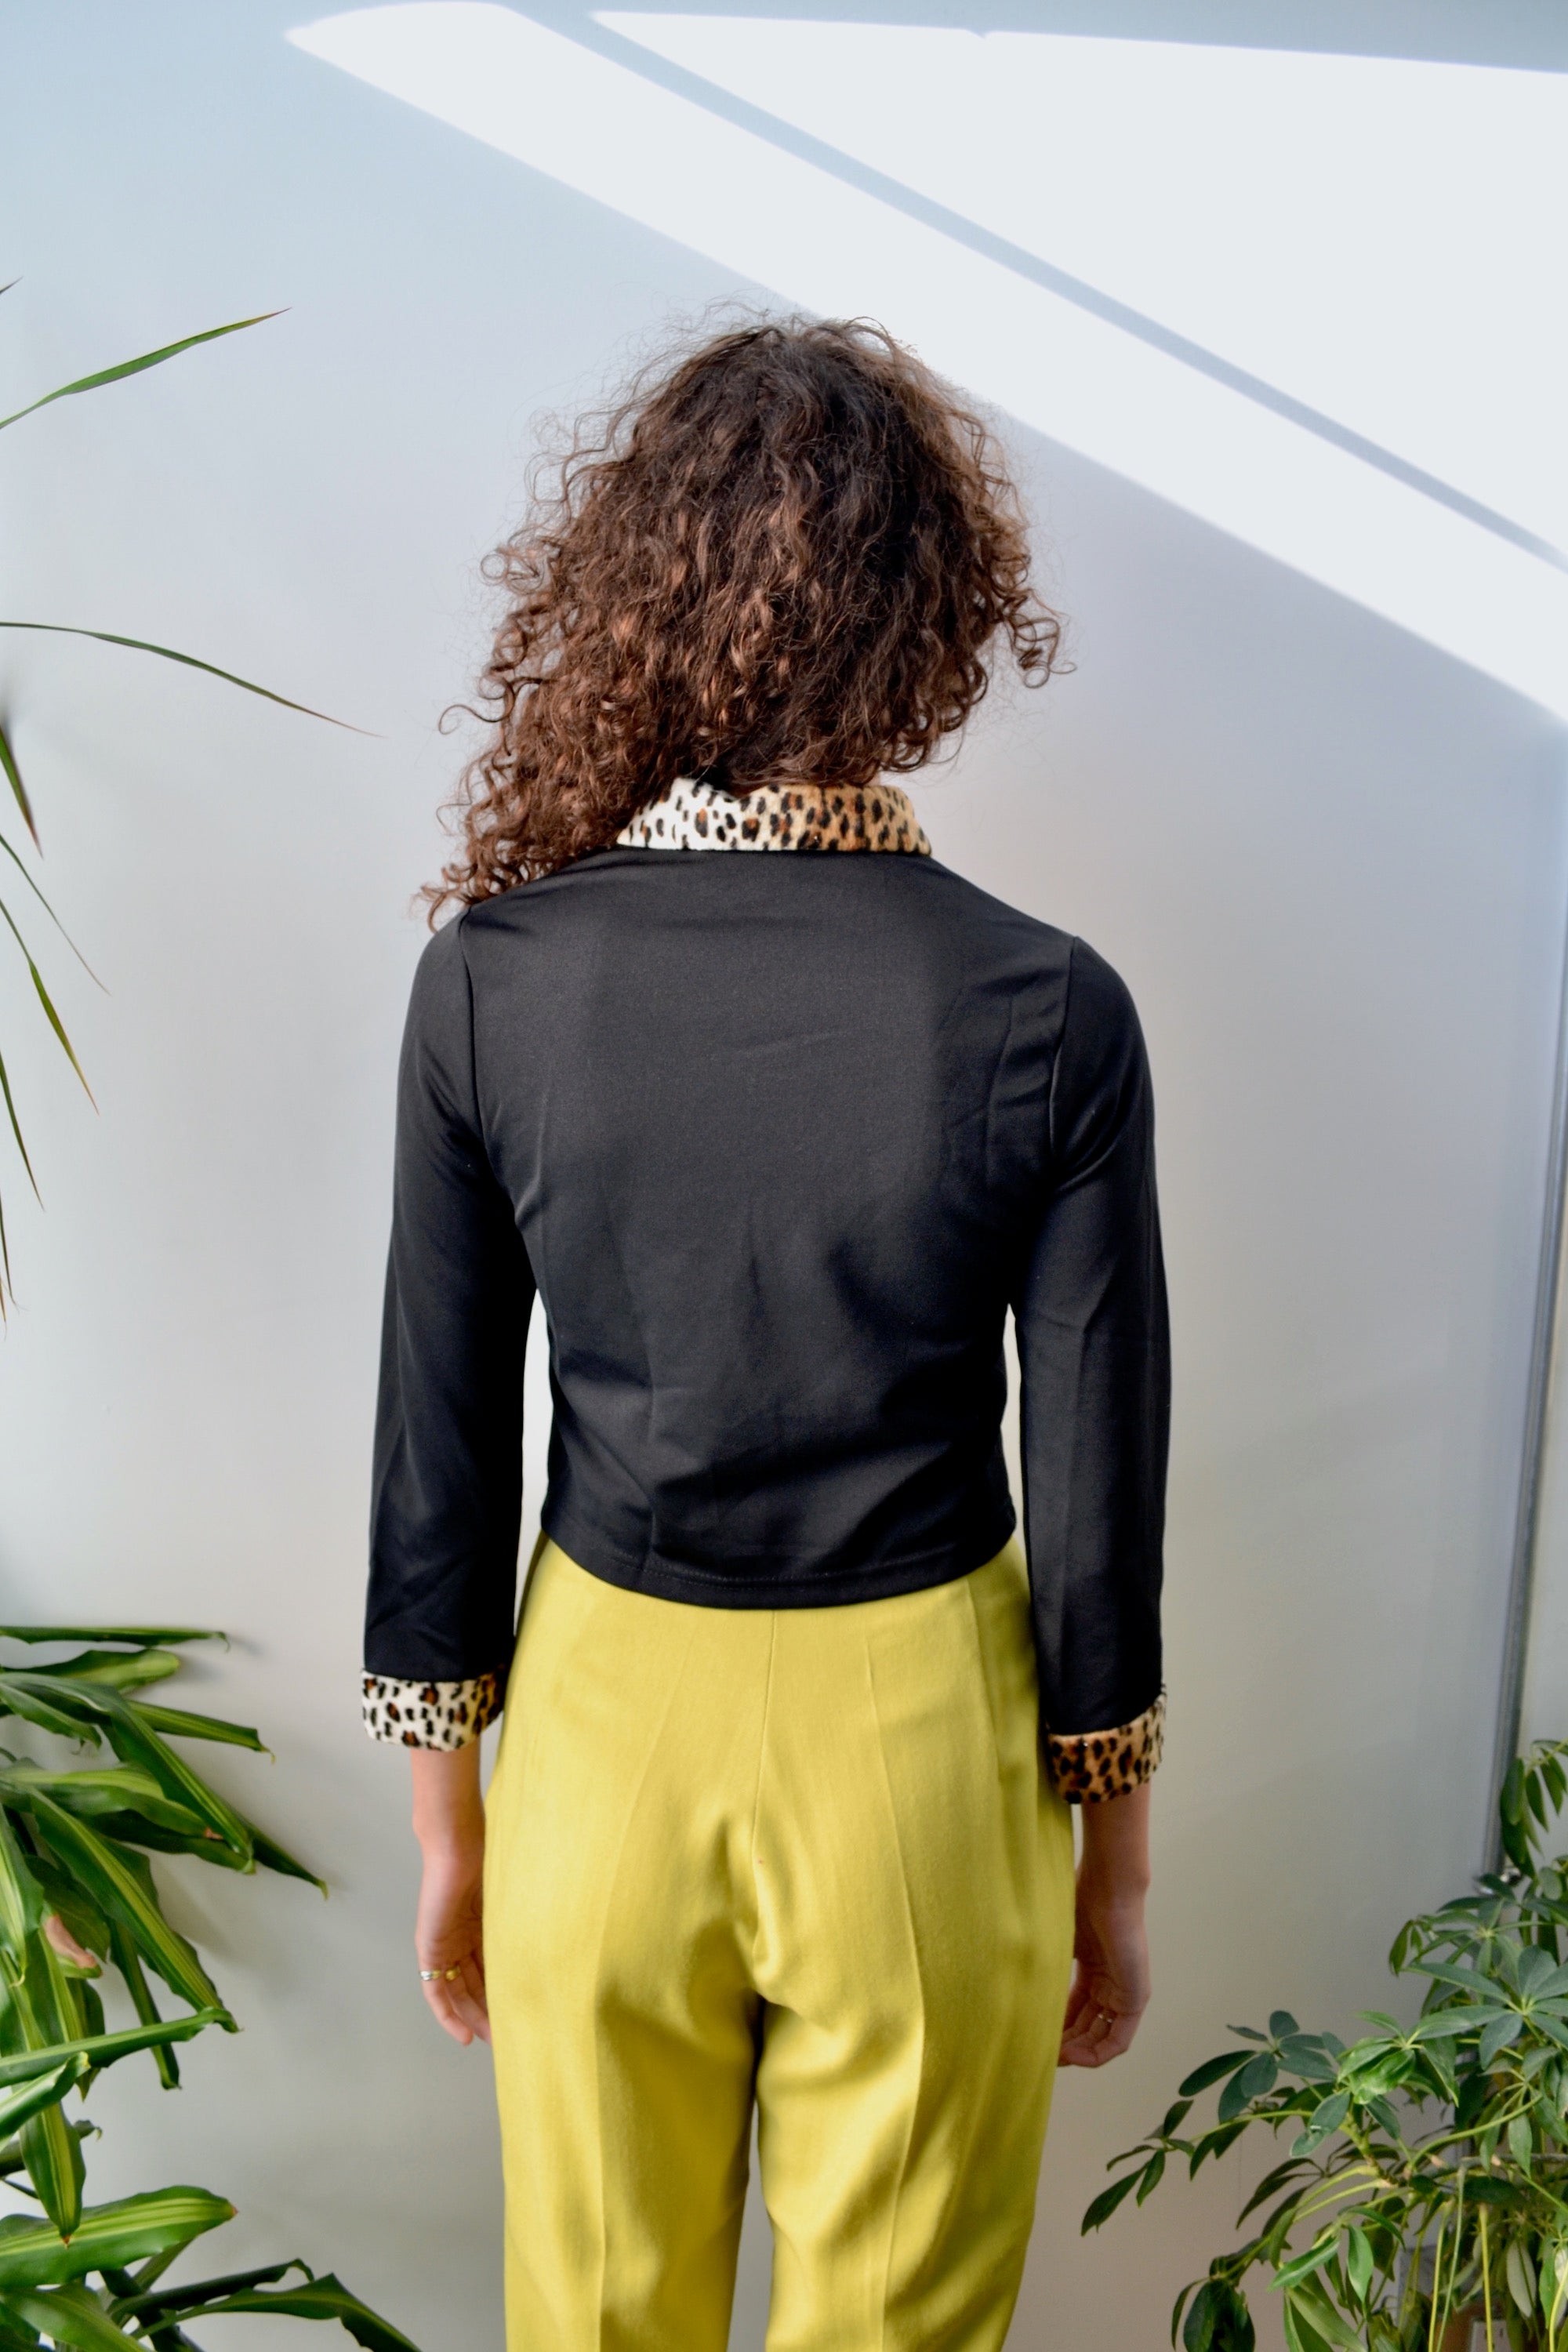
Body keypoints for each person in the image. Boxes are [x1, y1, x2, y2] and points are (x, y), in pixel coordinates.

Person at [361, 316, 1169, 2352]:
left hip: (603, 1740)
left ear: (634, 583)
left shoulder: (495, 983)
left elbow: (437, 1437)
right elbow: (1099, 1484)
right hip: (924, 1749)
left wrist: (451, 1828)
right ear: (931, 617)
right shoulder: (1047, 1006)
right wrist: (1116, 1869)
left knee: (594, 2319)